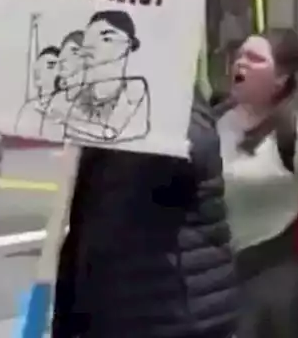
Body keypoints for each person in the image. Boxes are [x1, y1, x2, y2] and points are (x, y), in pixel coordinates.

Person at [52, 90, 240, 338]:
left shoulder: (183, 111)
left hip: (173, 313)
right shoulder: (110, 115)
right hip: (113, 308)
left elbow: (191, 155)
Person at [215, 29, 298, 338]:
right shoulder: (218, 121)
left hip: (279, 285)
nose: (241, 63)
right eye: (239, 55)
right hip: (223, 278)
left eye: (254, 59)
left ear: (281, 78)